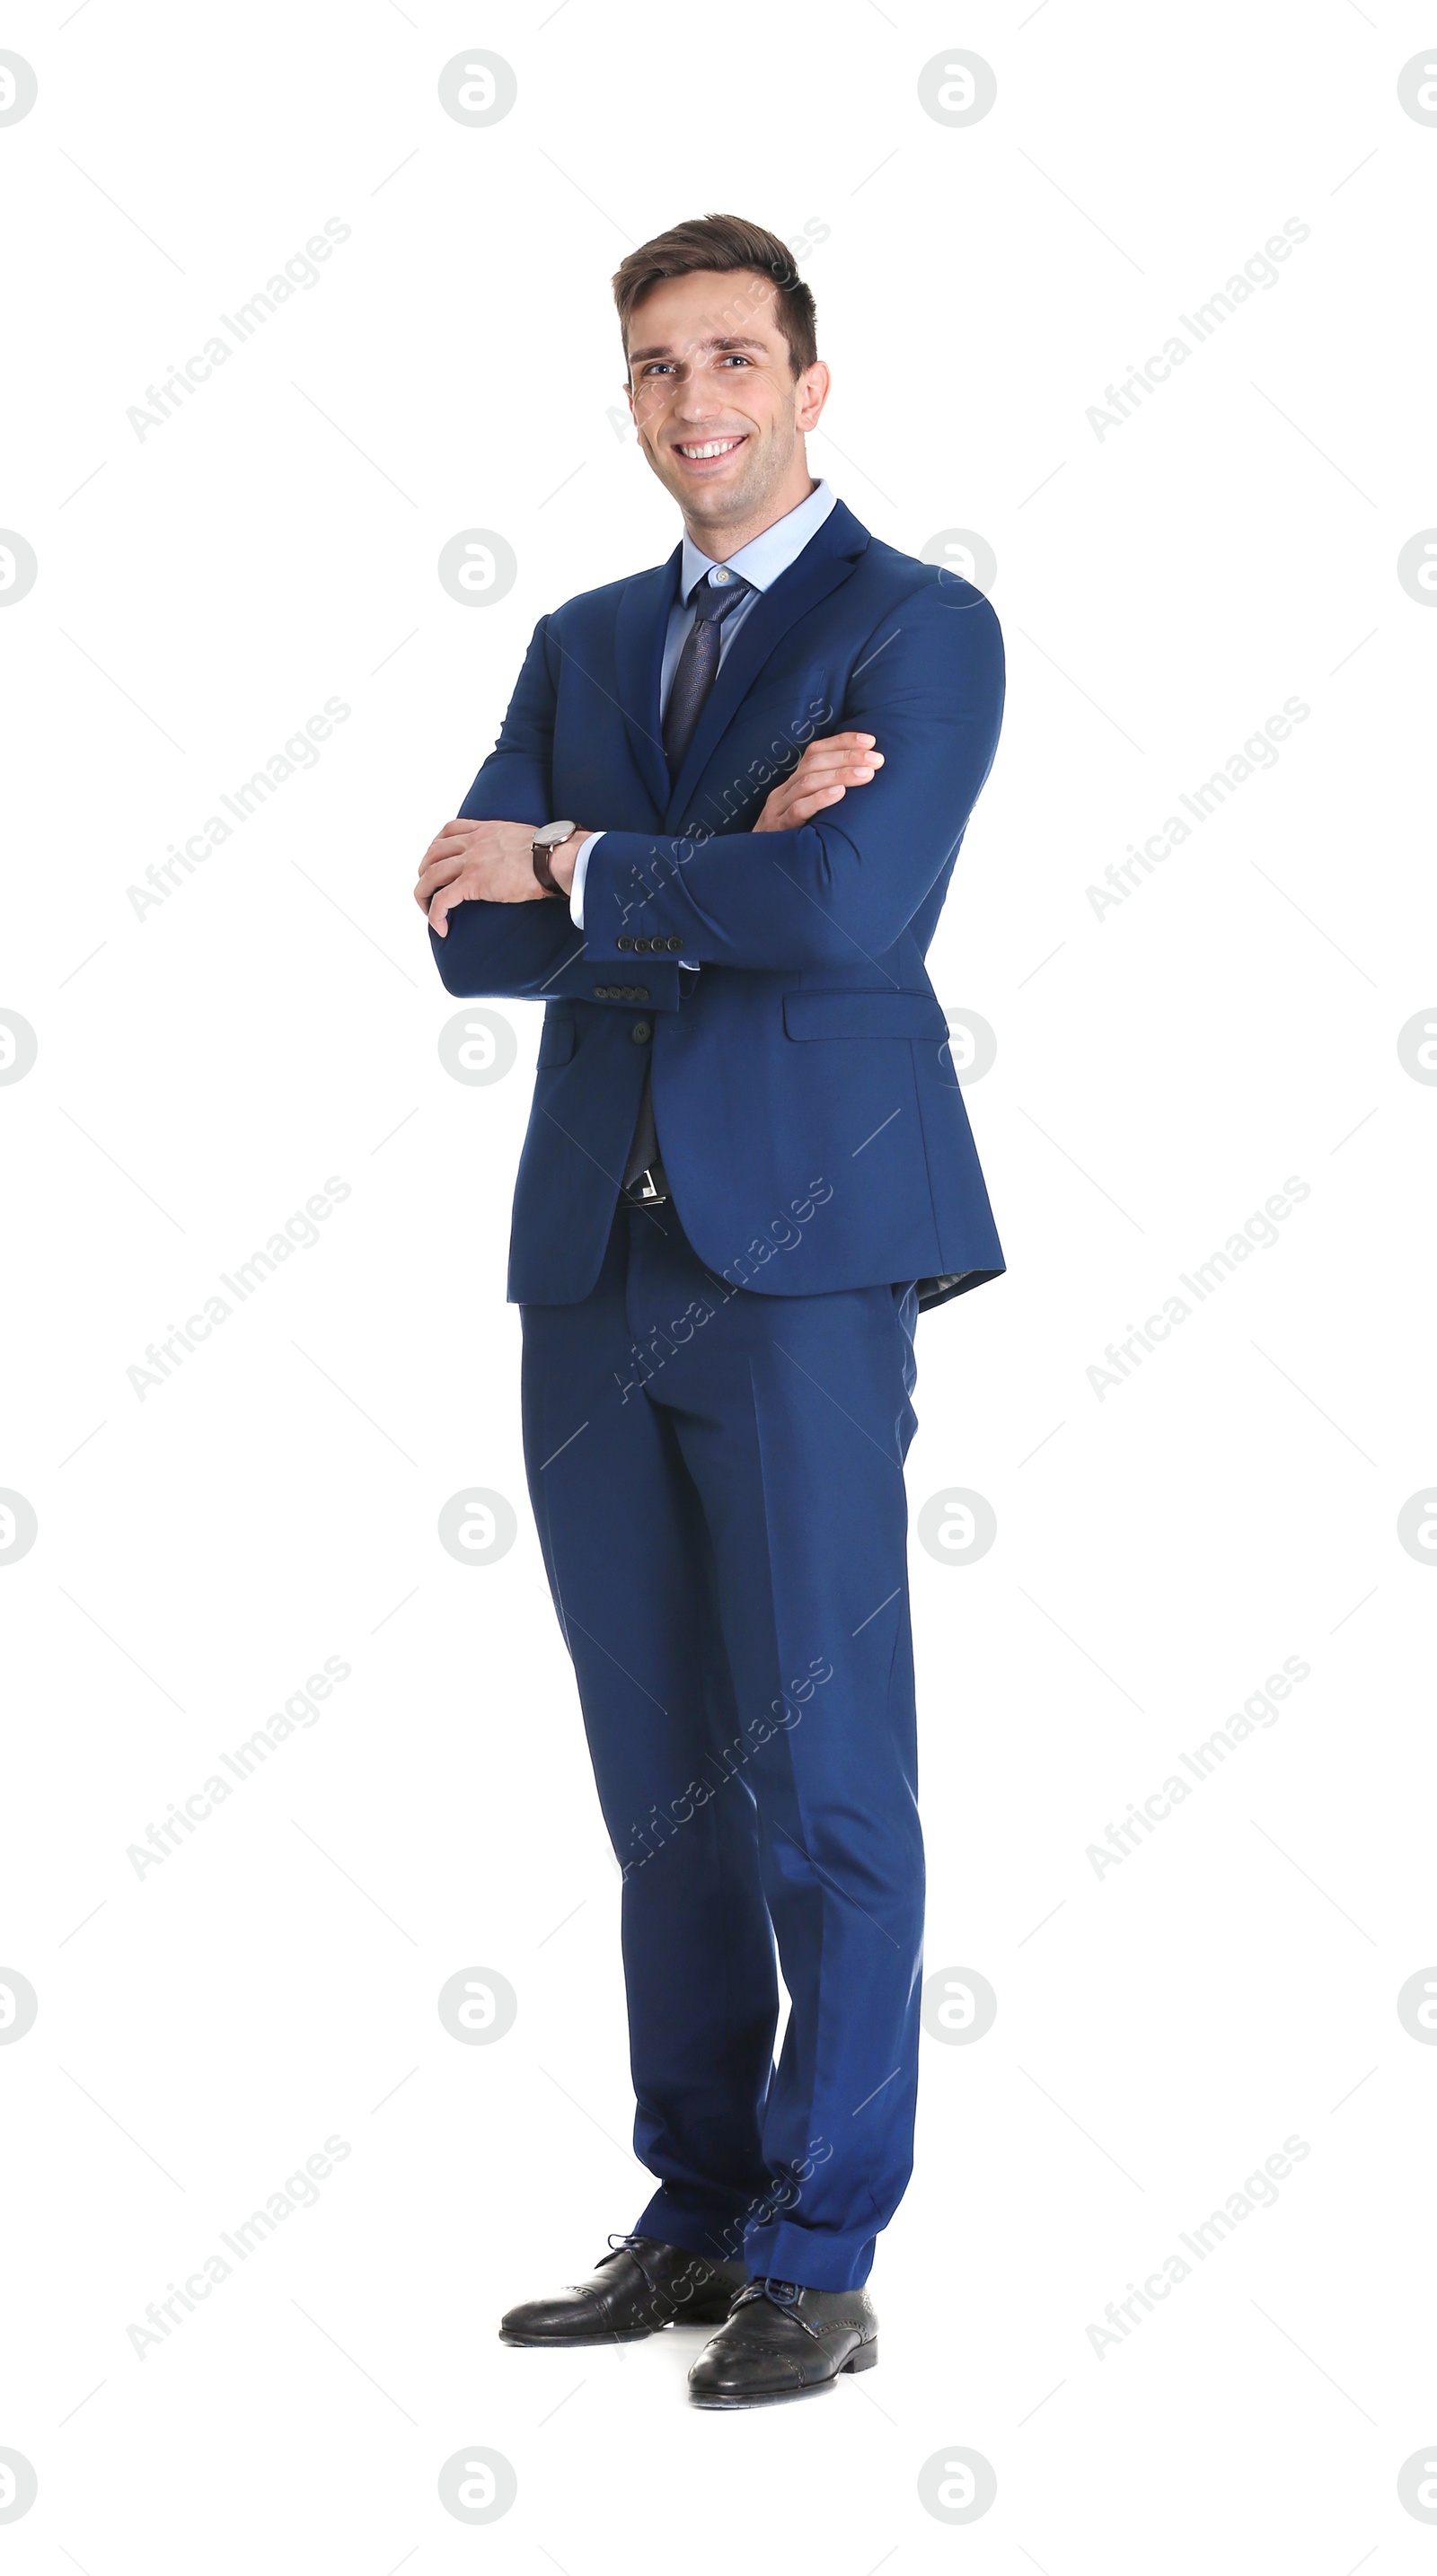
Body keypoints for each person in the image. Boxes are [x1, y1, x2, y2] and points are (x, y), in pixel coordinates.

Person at [414, 212, 1006, 2408]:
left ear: (808, 383)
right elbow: (464, 943)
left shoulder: (916, 628)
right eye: (658, 367)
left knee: (822, 1774)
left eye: (732, 359)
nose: (695, 403)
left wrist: (580, 863)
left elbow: (849, 912)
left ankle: (821, 2240)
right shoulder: (581, 637)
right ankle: (693, 2201)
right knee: (660, 1780)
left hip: (808, 1259)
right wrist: (696, 856)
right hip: (594, 1264)